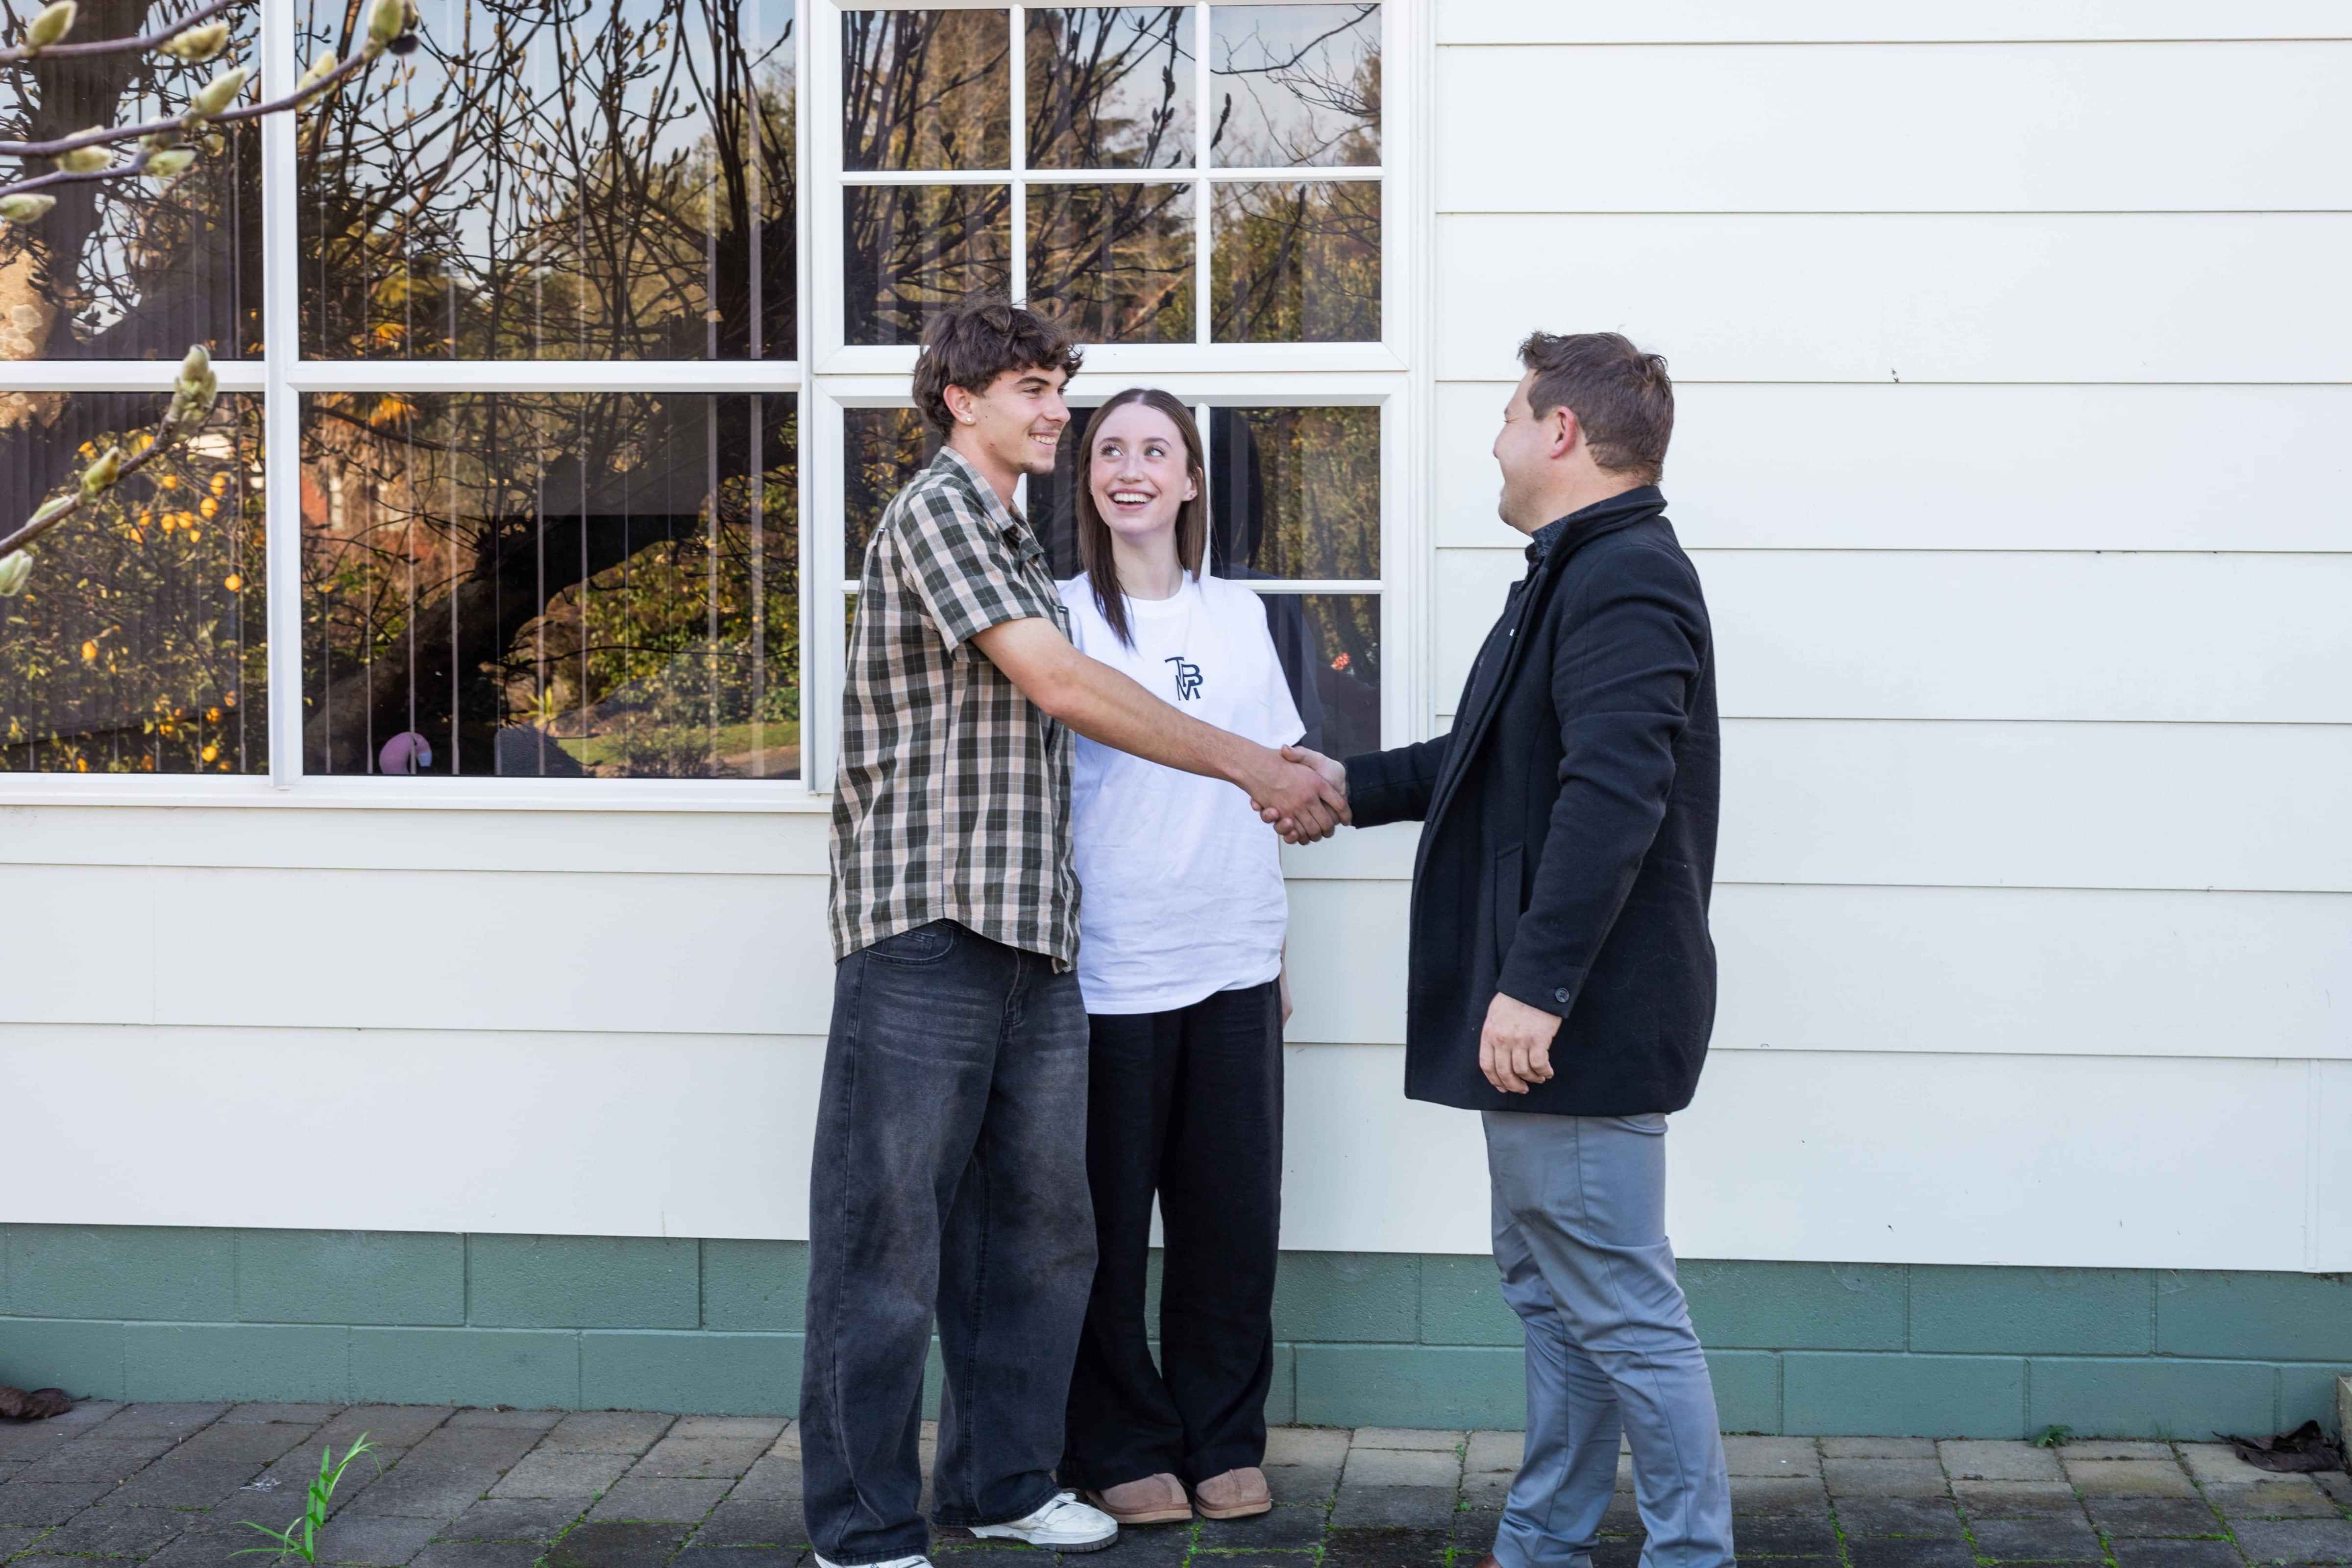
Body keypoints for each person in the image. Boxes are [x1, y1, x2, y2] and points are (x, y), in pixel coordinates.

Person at [803, 293, 1346, 1568]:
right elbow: (1061, 683)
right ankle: (863, 1524)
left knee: (1041, 1237)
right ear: (961, 400)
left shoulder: (1000, 530)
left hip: (1036, 939)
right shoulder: (941, 511)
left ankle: (1002, 1481)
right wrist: (1257, 767)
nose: (1059, 411)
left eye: (1062, 387)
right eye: (1037, 391)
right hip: (928, 926)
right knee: (886, 1240)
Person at [1271, 332, 1734, 1568]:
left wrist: (1534, 988)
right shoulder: (1572, 573)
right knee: (1560, 1301)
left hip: (1573, 1023)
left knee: (1624, 1312)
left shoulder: (1625, 576)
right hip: (1547, 1022)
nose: (1494, 438)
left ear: (1562, 433)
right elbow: (1494, 755)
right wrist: (1345, 785)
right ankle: (1546, 1540)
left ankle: (1691, 1554)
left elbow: (1611, 798)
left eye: (1509, 414)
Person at [1052, 390, 1296, 1527]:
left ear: (1191, 480)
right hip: (1110, 969)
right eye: (1110, 450)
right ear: (1088, 479)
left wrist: (1280, 950)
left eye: (1157, 450)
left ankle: (1223, 1436)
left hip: (1236, 957)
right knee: (1104, 1223)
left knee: (1229, 1220)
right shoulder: (1056, 621)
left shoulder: (1241, 617)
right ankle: (1120, 1438)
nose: (1132, 468)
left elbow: (1276, 783)